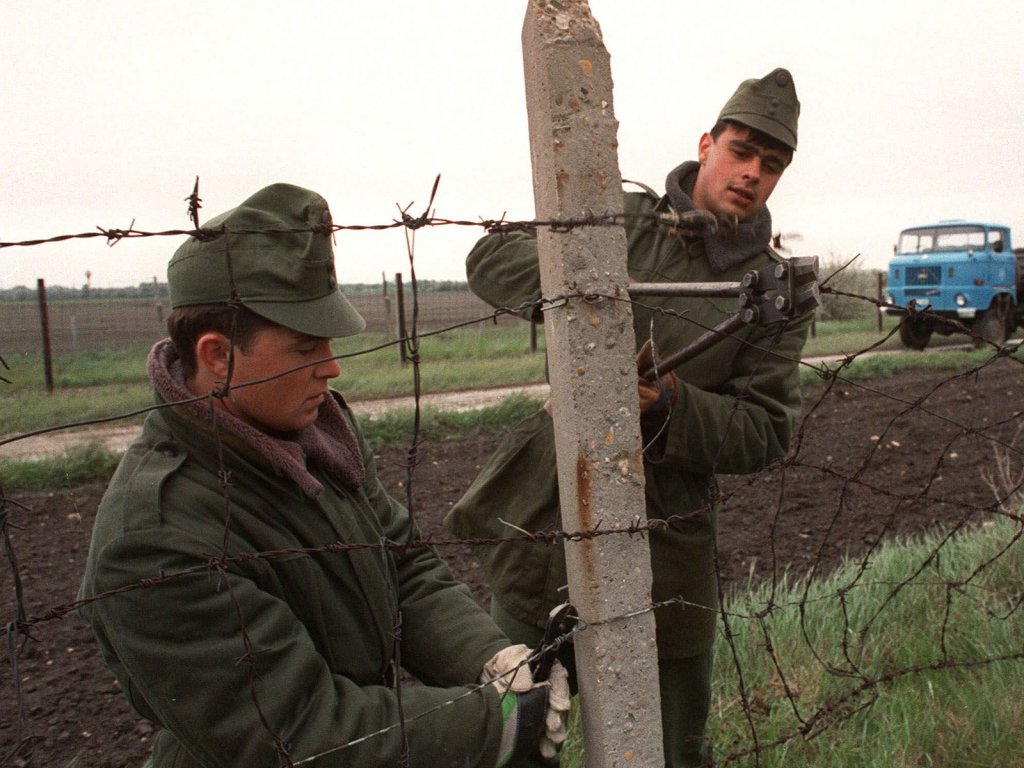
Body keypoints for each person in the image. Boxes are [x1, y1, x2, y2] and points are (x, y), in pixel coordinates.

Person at [77, 183, 569, 767]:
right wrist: (496, 727)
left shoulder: (316, 432)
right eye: (306, 346)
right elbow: (296, 730)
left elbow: (401, 561)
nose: (333, 366)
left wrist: (489, 658)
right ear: (217, 357)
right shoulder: (154, 539)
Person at [445, 68, 813, 767]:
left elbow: (764, 429)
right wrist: (584, 299)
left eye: (772, 165)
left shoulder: (774, 292)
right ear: (706, 145)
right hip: (549, 513)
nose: (751, 174)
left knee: (672, 750)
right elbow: (491, 255)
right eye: (740, 151)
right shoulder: (610, 214)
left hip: (666, 546)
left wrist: (667, 403)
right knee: (507, 735)